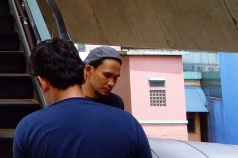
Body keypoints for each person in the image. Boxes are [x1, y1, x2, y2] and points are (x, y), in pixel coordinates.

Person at [13, 38, 151, 158]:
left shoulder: (28, 129)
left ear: (42, 82)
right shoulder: (129, 124)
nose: (111, 83)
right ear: (84, 72)